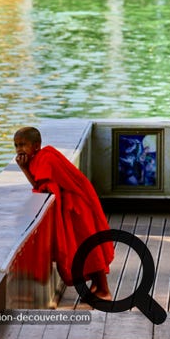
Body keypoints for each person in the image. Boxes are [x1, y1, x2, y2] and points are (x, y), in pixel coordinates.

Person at [14, 126, 114, 300]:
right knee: (80, 249)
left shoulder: (46, 158)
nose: (19, 149)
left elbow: (43, 188)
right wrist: (24, 168)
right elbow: (41, 185)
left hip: (77, 208)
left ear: (36, 146)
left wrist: (24, 169)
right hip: (71, 208)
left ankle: (104, 289)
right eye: (16, 146)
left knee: (89, 249)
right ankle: (96, 285)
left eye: (23, 144)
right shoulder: (38, 159)